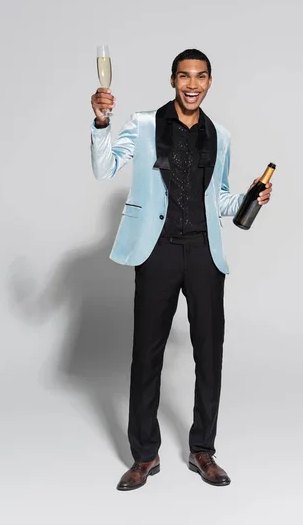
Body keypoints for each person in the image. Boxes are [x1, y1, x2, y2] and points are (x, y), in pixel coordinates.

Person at [90, 49, 273, 490]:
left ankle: (202, 451)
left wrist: (251, 197)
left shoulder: (220, 136)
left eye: (201, 77)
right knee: (146, 355)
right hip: (157, 252)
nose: (193, 84)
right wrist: (101, 124)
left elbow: (222, 200)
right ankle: (144, 456)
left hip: (204, 254)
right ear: (173, 80)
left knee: (210, 354)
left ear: (210, 82)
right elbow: (104, 168)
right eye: (185, 76)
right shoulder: (145, 124)